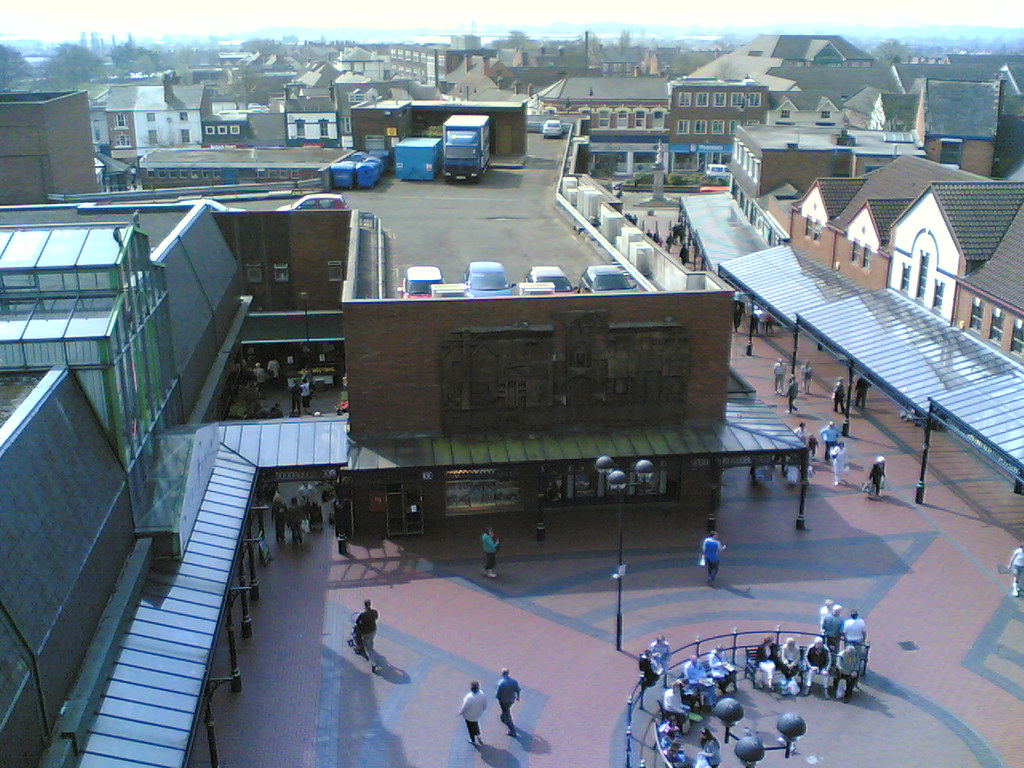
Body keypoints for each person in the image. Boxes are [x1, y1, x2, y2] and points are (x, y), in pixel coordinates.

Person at [459, 680, 488, 745]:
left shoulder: (469, 697)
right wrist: (483, 709)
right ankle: (478, 736)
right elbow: (485, 705)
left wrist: (460, 712)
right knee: (475, 724)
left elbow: (465, 707)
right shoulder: (482, 694)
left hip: (469, 716)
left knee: (470, 728)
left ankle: (473, 740)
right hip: (478, 714)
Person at [355, 599, 380, 673]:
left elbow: (357, 622)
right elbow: (376, 618)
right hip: (373, 630)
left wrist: (360, 628)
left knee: (368, 649)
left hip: (366, 632)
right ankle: (370, 647)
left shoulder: (362, 614)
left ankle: (373, 664)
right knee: (371, 641)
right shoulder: (374, 612)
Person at [495, 668, 521, 737]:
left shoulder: (501, 683)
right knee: (507, 710)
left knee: (507, 713)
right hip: (511, 700)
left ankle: (512, 731)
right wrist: (518, 697)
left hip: (503, 701)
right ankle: (504, 716)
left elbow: (498, 694)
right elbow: (518, 690)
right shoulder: (514, 681)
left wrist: (498, 698)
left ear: (502, 674)